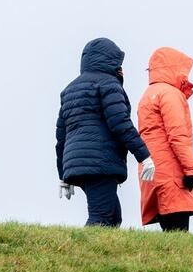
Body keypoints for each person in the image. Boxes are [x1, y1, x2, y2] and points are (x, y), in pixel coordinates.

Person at [56, 37, 155, 227]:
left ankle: (101, 247)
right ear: (109, 61)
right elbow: (121, 124)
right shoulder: (108, 84)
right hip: (99, 162)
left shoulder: (69, 89)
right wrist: (144, 156)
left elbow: (61, 137)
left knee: (113, 218)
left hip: (78, 163)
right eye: (118, 63)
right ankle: (79, 247)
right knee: (101, 217)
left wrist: (63, 173)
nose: (121, 68)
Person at [137, 47, 193, 232]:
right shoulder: (170, 94)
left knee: (169, 232)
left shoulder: (147, 95)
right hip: (171, 173)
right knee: (179, 235)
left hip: (153, 171)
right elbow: (177, 135)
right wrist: (190, 170)